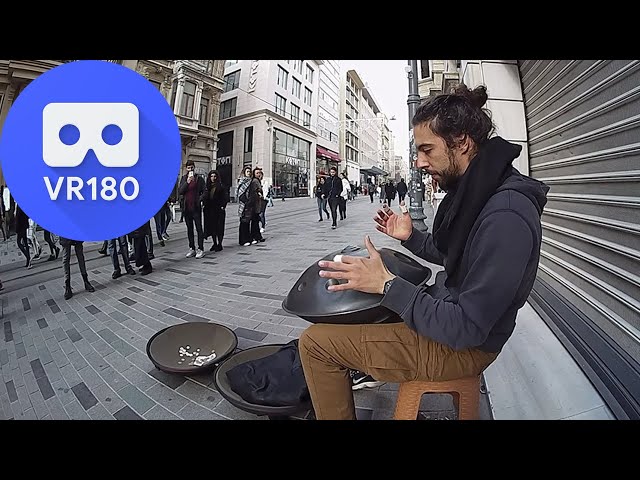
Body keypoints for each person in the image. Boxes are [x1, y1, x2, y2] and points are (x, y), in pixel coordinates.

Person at [297, 83, 549, 420]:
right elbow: (454, 257)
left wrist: (387, 286)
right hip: (446, 313)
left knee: (316, 344)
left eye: (427, 150)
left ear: (462, 142)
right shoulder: (477, 193)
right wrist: (411, 238)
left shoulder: (505, 216)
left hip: (464, 348)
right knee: (360, 315)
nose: (418, 162)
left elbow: (467, 327)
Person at [178, 160, 206, 259]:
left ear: (194, 167)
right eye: (189, 168)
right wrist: (187, 182)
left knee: (199, 228)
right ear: (186, 169)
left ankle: (201, 248)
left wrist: (200, 200)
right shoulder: (184, 178)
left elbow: (204, 191)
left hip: (196, 207)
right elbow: (181, 191)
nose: (190, 169)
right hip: (187, 208)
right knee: (189, 229)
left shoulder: (199, 179)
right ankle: (192, 248)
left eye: (192, 167)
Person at [201, 170, 228, 252]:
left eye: (215, 176)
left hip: (219, 209)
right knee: (212, 227)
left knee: (219, 227)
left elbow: (225, 197)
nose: (213, 178)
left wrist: (223, 206)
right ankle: (214, 243)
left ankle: (219, 243)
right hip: (210, 210)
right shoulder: (207, 187)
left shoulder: (221, 186)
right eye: (212, 176)